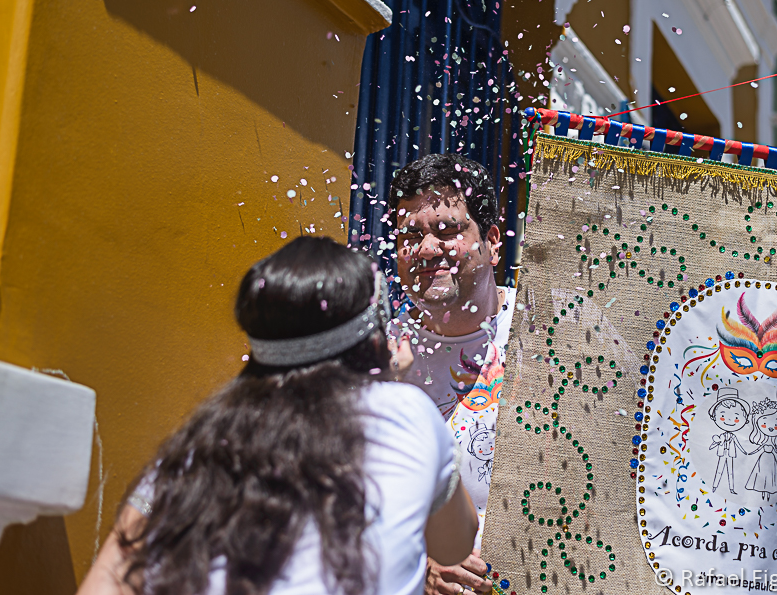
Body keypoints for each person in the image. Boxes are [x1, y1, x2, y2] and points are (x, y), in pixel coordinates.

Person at [77, 237, 479, 595]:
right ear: (374, 338)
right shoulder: (406, 412)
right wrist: (385, 381)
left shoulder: (204, 436)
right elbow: (455, 544)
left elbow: (109, 578)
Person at [389, 154, 516, 595]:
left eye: (447, 230)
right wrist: (419, 564)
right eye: (410, 235)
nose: (426, 249)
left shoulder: (553, 335)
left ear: (492, 243)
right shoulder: (377, 362)